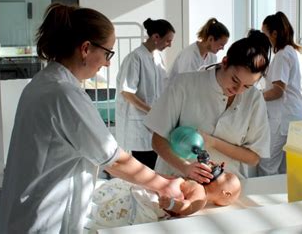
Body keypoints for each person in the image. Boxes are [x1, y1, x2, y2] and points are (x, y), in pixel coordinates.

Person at [0, 3, 183, 233]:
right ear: (86, 48)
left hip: (30, 211)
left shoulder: (44, 82)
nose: (107, 63)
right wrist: (165, 185)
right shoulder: (64, 94)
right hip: (46, 220)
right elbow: (113, 159)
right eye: (107, 53)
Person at [144, 30, 272, 183]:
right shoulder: (184, 84)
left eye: (247, 86)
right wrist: (185, 168)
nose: (237, 90)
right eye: (235, 80)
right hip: (177, 181)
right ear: (225, 62)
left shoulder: (254, 99)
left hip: (224, 186)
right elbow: (157, 140)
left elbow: (253, 158)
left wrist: (213, 142)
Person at [115, 18, 175, 169]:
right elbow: (127, 93)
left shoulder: (157, 58)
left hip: (153, 121)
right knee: (143, 166)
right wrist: (151, 111)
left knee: (155, 164)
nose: (170, 45)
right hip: (139, 122)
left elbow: (162, 86)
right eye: (168, 40)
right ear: (155, 37)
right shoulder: (135, 58)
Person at [90, 171, 241, 228]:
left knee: (120, 204)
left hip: (152, 200)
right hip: (150, 188)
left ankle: (94, 209)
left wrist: (172, 204)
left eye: (225, 175)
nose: (220, 171)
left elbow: (187, 207)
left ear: (226, 193)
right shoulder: (198, 184)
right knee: (118, 192)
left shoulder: (200, 197)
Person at [257, 11, 302, 176]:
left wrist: (255, 97)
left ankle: (266, 200)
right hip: (295, 115)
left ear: (274, 33)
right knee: (287, 166)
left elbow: (277, 91)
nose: (265, 39)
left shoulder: (282, 55)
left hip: (282, 118)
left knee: (267, 163)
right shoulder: (295, 52)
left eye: (265, 34)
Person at [168, 18, 229, 84]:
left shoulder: (212, 57)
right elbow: (186, 85)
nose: (222, 48)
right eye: (221, 45)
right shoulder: (190, 56)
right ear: (211, 39)